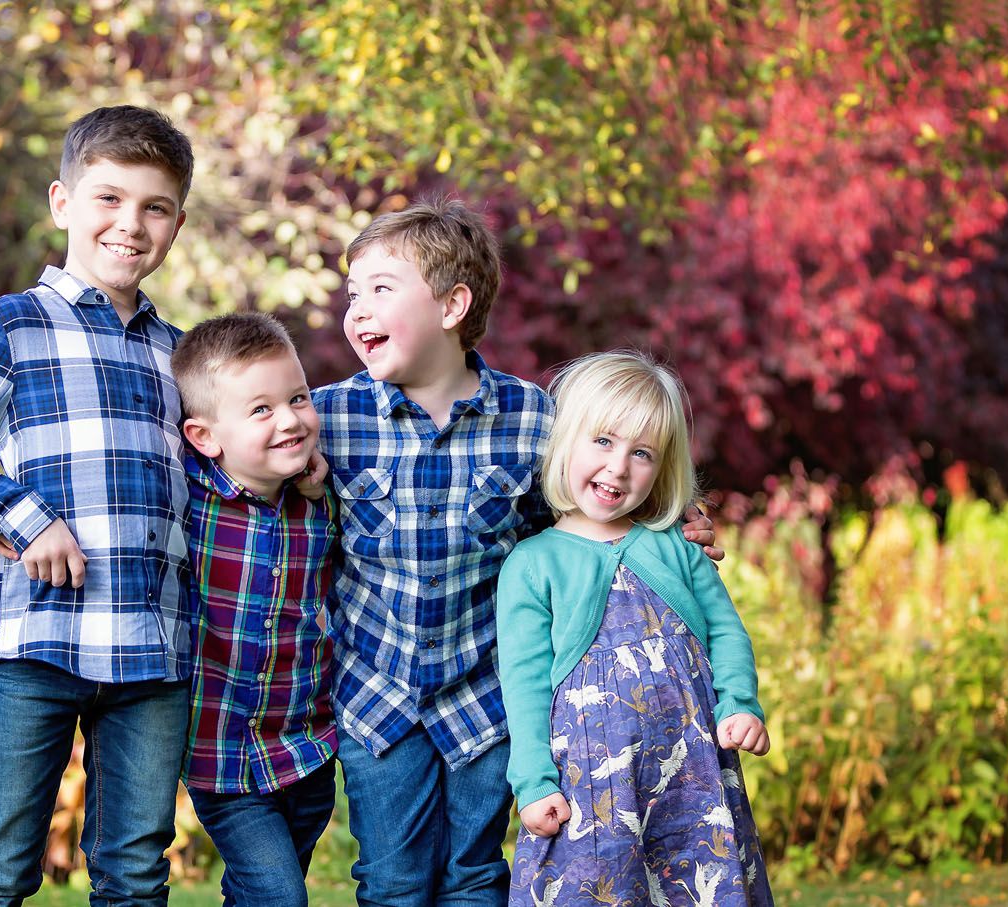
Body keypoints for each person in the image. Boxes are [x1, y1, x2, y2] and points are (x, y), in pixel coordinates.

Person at [311, 199, 723, 906]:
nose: (358, 309)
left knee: (474, 875)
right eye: (354, 293)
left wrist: (676, 516)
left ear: (452, 304)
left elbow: (595, 492)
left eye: (381, 289)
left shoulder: (531, 417)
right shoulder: (327, 418)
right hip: (375, 697)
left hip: (484, 693)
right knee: (392, 881)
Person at [0, 105, 197, 906]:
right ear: (63, 203)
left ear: (177, 223)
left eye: (155, 207)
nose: (131, 223)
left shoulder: (181, 352)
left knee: (134, 872)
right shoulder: (14, 325)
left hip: (152, 647)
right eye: (109, 199)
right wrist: (23, 518)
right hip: (35, 640)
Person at [496, 350, 773, 906]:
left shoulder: (677, 546)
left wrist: (739, 703)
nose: (619, 468)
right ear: (565, 440)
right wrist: (533, 782)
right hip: (591, 786)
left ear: (664, 465)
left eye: (641, 453)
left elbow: (726, 632)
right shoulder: (532, 563)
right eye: (602, 441)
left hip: (693, 780)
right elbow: (522, 684)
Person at [170, 312, 339, 907]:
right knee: (279, 896)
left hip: (310, 747)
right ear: (205, 437)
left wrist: (318, 489)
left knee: (257, 896)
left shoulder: (321, 500)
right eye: (260, 410)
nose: (290, 419)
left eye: (297, 398)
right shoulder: (188, 503)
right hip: (225, 755)